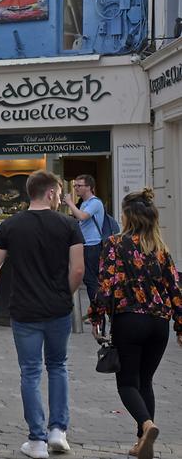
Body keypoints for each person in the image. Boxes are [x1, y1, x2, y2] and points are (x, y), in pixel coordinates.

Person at [0, 170, 84, 459]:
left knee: (31, 372)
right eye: (59, 193)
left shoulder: (11, 226)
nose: (60, 198)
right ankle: (58, 430)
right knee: (58, 366)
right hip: (58, 309)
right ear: (49, 193)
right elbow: (78, 270)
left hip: (24, 310)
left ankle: (36, 440)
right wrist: (64, 294)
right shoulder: (69, 225)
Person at [88, 189, 182, 459]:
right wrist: (180, 325)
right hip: (159, 323)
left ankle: (147, 425)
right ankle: (142, 443)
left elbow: (106, 284)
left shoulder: (115, 244)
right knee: (146, 381)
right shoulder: (161, 250)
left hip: (130, 320)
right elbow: (175, 288)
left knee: (127, 383)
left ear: (127, 217)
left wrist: (96, 316)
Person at [62, 174, 106, 304]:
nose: (76, 188)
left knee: (91, 279)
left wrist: (70, 203)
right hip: (85, 244)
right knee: (89, 279)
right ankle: (97, 310)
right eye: (75, 185)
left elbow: (82, 217)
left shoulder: (95, 202)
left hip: (93, 245)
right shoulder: (85, 203)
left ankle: (97, 313)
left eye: (79, 185)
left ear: (89, 187)